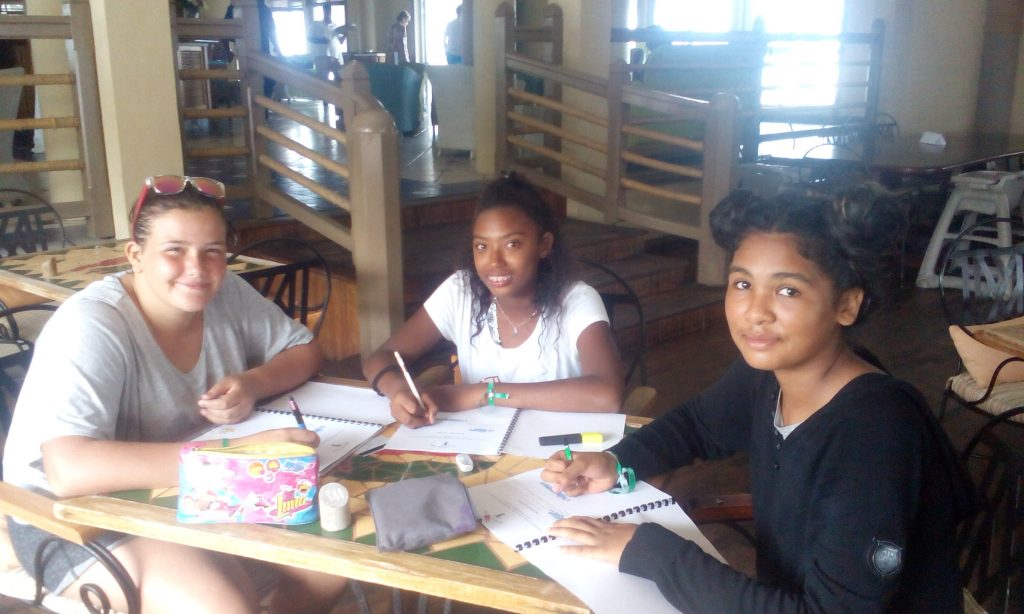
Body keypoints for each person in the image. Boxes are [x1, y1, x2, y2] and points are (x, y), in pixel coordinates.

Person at [540, 188, 978, 612]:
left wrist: (651, 552)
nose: (755, 311)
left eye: (787, 290)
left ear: (846, 305)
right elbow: (697, 424)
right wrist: (617, 461)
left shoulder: (873, 435)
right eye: (743, 283)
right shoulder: (768, 375)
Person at [2, 175, 347, 614]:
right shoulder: (92, 325)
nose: (197, 269)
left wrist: (254, 382)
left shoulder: (226, 293)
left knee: (332, 560)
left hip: (181, 488)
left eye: (213, 252)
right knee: (223, 607)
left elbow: (304, 350)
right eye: (174, 250)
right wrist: (236, 458)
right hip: (66, 516)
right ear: (136, 255)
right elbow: (68, 470)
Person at [363, 173, 623, 428]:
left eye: (512, 244)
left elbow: (607, 395)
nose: (494, 262)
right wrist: (400, 391)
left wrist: (486, 394)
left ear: (544, 245)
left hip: (559, 449)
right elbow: (380, 358)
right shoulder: (461, 291)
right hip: (479, 443)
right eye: (482, 246)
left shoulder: (577, 301)